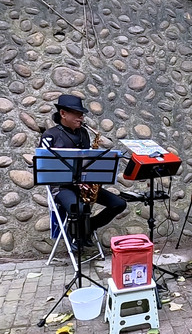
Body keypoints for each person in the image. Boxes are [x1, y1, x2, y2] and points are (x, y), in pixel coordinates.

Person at [40, 94, 127, 249]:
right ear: (63, 114)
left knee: (119, 204)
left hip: (83, 186)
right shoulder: (50, 136)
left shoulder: (84, 134)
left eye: (82, 114)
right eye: (77, 113)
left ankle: (89, 226)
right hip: (61, 187)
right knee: (79, 208)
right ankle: (75, 235)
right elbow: (45, 167)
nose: (81, 117)